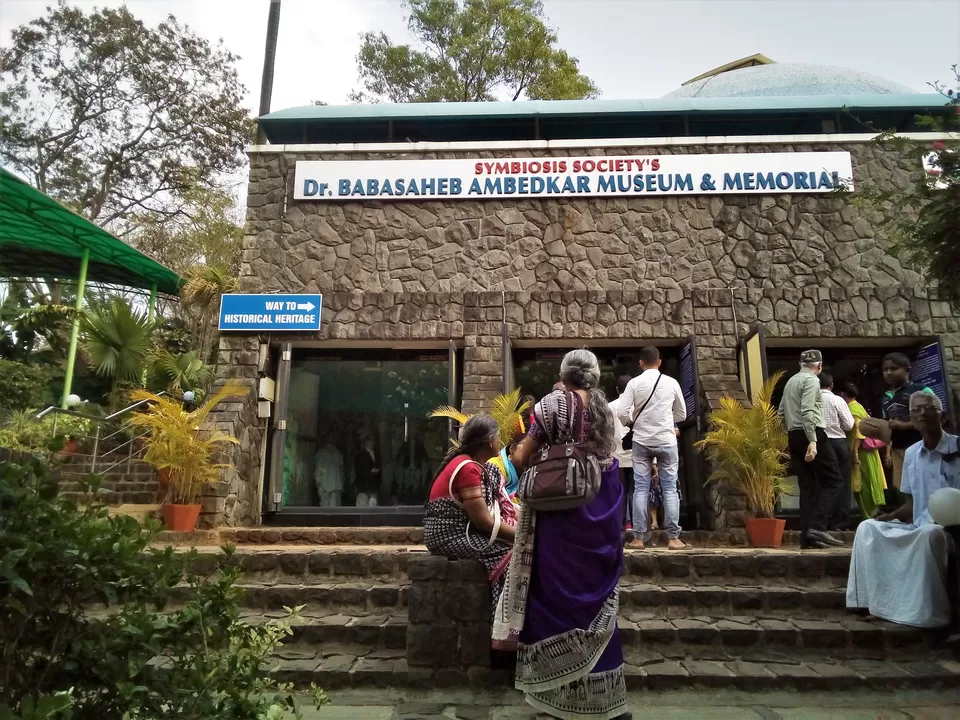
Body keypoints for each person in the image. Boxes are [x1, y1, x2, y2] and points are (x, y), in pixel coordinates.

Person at [494, 349, 629, 720]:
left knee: (553, 593)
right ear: (594, 375)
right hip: (602, 510)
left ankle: (556, 701)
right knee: (597, 596)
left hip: (561, 511)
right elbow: (610, 455)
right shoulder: (606, 410)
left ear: (564, 374)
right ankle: (605, 703)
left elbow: (522, 456)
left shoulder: (552, 405)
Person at [846, 391, 960, 627]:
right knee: (868, 528)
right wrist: (889, 516)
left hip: (949, 529)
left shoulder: (957, 447)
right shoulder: (911, 454)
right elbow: (911, 505)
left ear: (942, 415)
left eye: (928, 408)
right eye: (915, 410)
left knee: (931, 534)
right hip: (919, 525)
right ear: (911, 419)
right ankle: (873, 603)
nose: (922, 413)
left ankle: (930, 612)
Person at [424, 415, 516, 621]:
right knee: (510, 554)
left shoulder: (471, 464)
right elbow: (483, 523)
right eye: (498, 437)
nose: (500, 442)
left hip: (456, 532)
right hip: (447, 536)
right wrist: (522, 535)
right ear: (490, 441)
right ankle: (502, 621)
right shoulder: (468, 468)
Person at [617, 346, 688, 550]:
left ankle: (638, 538)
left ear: (641, 363)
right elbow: (682, 414)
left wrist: (632, 422)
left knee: (640, 488)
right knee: (670, 488)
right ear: (659, 362)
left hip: (641, 441)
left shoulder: (633, 383)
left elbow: (622, 412)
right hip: (667, 440)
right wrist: (665, 420)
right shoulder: (672, 382)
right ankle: (673, 538)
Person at [777, 350, 845, 549]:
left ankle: (807, 538)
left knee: (808, 486)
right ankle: (817, 527)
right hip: (811, 433)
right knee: (834, 480)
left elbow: (781, 413)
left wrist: (791, 433)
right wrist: (812, 441)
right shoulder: (812, 380)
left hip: (794, 434)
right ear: (820, 365)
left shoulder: (791, 382)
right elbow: (807, 411)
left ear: (800, 364)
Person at [881, 353, 931, 501]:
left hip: (921, 448)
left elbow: (935, 418)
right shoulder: (885, 398)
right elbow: (888, 423)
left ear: (907, 370)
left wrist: (904, 425)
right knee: (902, 488)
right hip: (898, 450)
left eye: (894, 368)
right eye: (885, 369)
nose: (889, 373)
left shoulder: (921, 390)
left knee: (923, 485)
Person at [839, 382, 887, 519]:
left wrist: (854, 452)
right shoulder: (859, 406)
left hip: (861, 451)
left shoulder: (852, 409)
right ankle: (870, 514)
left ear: (842, 394)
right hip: (867, 450)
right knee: (867, 480)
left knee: (861, 483)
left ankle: (868, 515)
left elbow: (859, 433)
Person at [820, 373, 855, 530]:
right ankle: (840, 521)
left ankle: (822, 520)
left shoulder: (809, 401)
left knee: (823, 482)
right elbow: (849, 425)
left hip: (819, 443)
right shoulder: (837, 400)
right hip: (838, 443)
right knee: (843, 482)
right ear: (831, 385)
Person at [608, 373, 635, 535]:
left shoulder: (609, 407)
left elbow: (606, 433)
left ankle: (620, 525)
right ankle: (637, 526)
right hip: (637, 455)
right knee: (637, 492)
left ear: (617, 389)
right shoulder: (638, 406)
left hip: (616, 456)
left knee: (619, 492)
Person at [314, 436, 345, 507]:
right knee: (335, 508)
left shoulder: (320, 453)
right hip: (336, 486)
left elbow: (318, 470)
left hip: (325, 486)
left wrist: (318, 483)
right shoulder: (338, 453)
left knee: (325, 508)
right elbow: (342, 471)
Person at [353, 435, 380, 507]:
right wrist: (370, 472)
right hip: (363, 486)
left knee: (373, 507)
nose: (372, 442)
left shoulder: (377, 454)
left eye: (373, 441)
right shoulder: (359, 455)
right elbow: (358, 470)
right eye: (370, 441)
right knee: (362, 508)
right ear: (366, 442)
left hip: (374, 487)